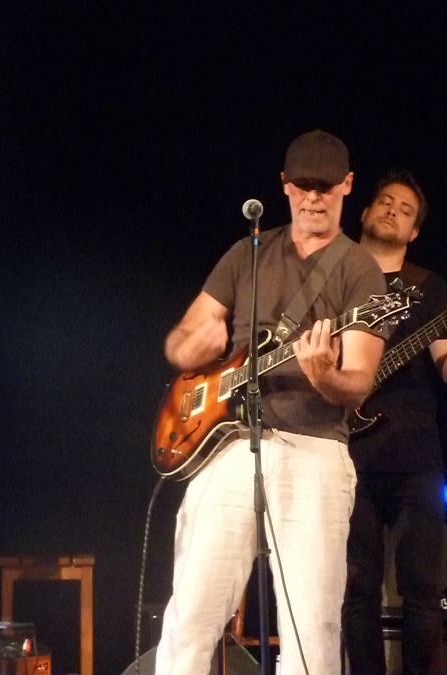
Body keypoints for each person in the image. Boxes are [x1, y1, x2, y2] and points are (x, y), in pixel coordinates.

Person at [156, 130, 388, 675]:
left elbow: (358, 381)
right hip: (229, 446)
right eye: (303, 185)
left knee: (311, 635)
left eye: (325, 186)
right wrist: (194, 346)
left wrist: (325, 375)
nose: (313, 197)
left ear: (347, 185)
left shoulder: (361, 270)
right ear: (284, 185)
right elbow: (181, 341)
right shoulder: (248, 252)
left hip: (315, 451)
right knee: (190, 619)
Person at [342, 171, 447, 675]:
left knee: (422, 590)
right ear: (364, 211)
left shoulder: (429, 288)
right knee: (356, 590)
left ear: (414, 231)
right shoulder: (333, 278)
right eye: (385, 201)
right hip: (345, 455)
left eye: (405, 209)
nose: (393, 211)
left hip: (416, 458)